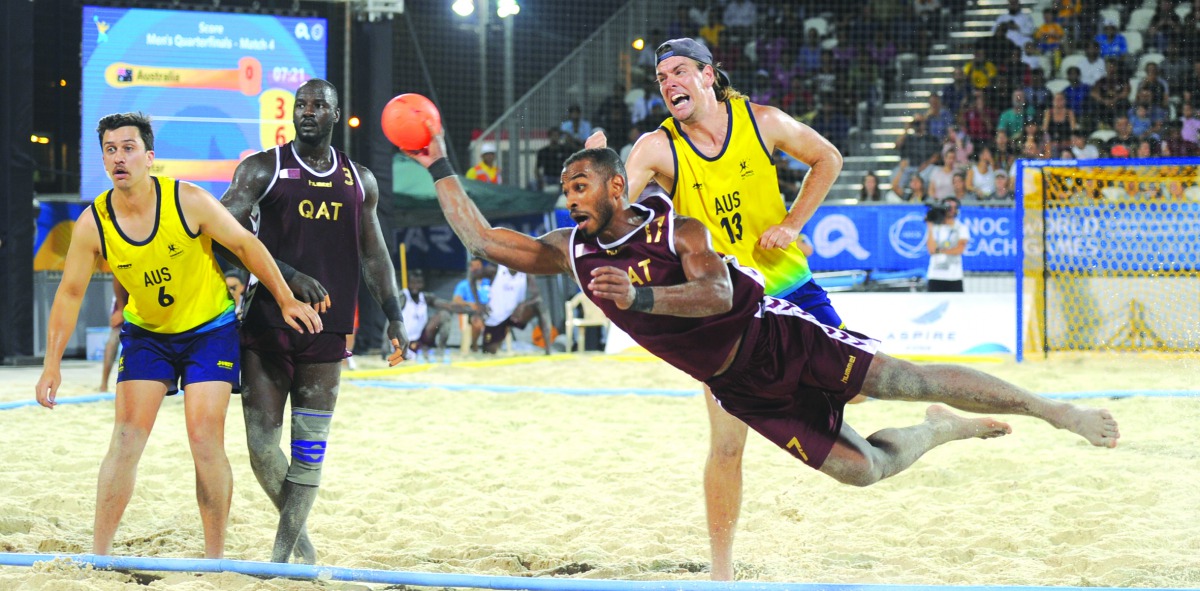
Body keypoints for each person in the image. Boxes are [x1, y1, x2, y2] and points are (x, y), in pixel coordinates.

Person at [411, 141, 1120, 574]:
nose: (570, 201)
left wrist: (642, 297)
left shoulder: (676, 227)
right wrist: (438, 159)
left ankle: (1054, 410)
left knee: (905, 377)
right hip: (740, 387)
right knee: (862, 470)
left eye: (579, 187)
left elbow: (718, 292)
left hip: (778, 335)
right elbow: (483, 239)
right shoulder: (573, 250)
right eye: (566, 190)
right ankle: (941, 429)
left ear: (615, 187)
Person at [584, 38, 851, 581]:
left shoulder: (762, 121)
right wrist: (595, 173)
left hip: (789, 284)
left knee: (855, 387)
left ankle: (934, 419)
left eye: (679, 71)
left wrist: (793, 224)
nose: (669, 83)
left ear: (708, 75)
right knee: (727, 445)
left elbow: (829, 158)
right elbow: (611, 216)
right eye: (661, 78)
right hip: (724, 303)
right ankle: (721, 575)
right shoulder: (656, 147)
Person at [35, 111, 322, 559]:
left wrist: (285, 298)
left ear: (150, 157)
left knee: (204, 439)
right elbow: (70, 293)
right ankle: (99, 556)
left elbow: (246, 244)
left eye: (128, 148)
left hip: (209, 330)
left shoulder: (187, 200)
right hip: (148, 333)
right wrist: (51, 364)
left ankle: (214, 560)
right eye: (110, 150)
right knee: (126, 439)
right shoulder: (95, 222)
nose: (119, 157)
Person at [218, 79, 408, 563]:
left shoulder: (360, 179)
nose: (307, 111)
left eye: (318, 105)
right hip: (267, 322)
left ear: (335, 114)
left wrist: (394, 316)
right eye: (301, 104)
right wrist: (286, 274)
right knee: (262, 450)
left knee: (308, 453)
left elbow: (375, 254)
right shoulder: (262, 168)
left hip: (327, 330)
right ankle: (303, 548)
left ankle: (283, 558)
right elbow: (221, 233)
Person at [400, 269, 472, 364]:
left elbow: (448, 306)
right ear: (408, 284)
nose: (415, 286)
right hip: (404, 341)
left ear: (423, 284)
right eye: (412, 283)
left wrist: (470, 310)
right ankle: (420, 351)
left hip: (420, 338)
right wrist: (386, 345)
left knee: (444, 315)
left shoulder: (425, 297)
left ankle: (440, 351)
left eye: (418, 283)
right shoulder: (402, 297)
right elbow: (390, 320)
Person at [480, 264, 553, 355]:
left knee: (540, 306)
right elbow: (472, 277)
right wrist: (480, 304)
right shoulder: (495, 269)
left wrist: (522, 305)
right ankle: (493, 342)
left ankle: (548, 351)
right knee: (488, 351)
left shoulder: (526, 272)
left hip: (515, 315)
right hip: (497, 317)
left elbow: (537, 297)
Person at [925, 197, 970, 292]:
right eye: (948, 207)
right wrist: (930, 226)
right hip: (935, 276)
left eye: (954, 207)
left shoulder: (961, 228)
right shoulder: (935, 228)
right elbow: (931, 249)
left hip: (954, 277)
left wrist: (939, 251)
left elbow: (959, 249)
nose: (951, 210)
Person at [452, 257, 491, 352]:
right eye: (473, 266)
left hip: (489, 311)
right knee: (477, 322)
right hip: (473, 312)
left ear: (483, 267)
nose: (476, 268)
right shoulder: (464, 284)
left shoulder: (489, 282)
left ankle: (493, 347)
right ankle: (474, 345)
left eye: (478, 265)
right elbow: (456, 300)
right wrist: (469, 304)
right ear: (469, 268)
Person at [98, 277, 129, 392]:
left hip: (146, 292)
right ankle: (104, 384)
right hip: (126, 294)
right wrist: (121, 309)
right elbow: (117, 277)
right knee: (114, 337)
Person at [534, 128, 574, 192]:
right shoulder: (543, 151)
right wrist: (540, 180)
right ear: (549, 137)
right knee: (533, 183)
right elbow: (537, 169)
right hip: (547, 177)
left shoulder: (565, 150)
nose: (554, 138)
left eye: (556, 135)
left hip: (561, 177)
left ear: (559, 137)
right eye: (552, 135)